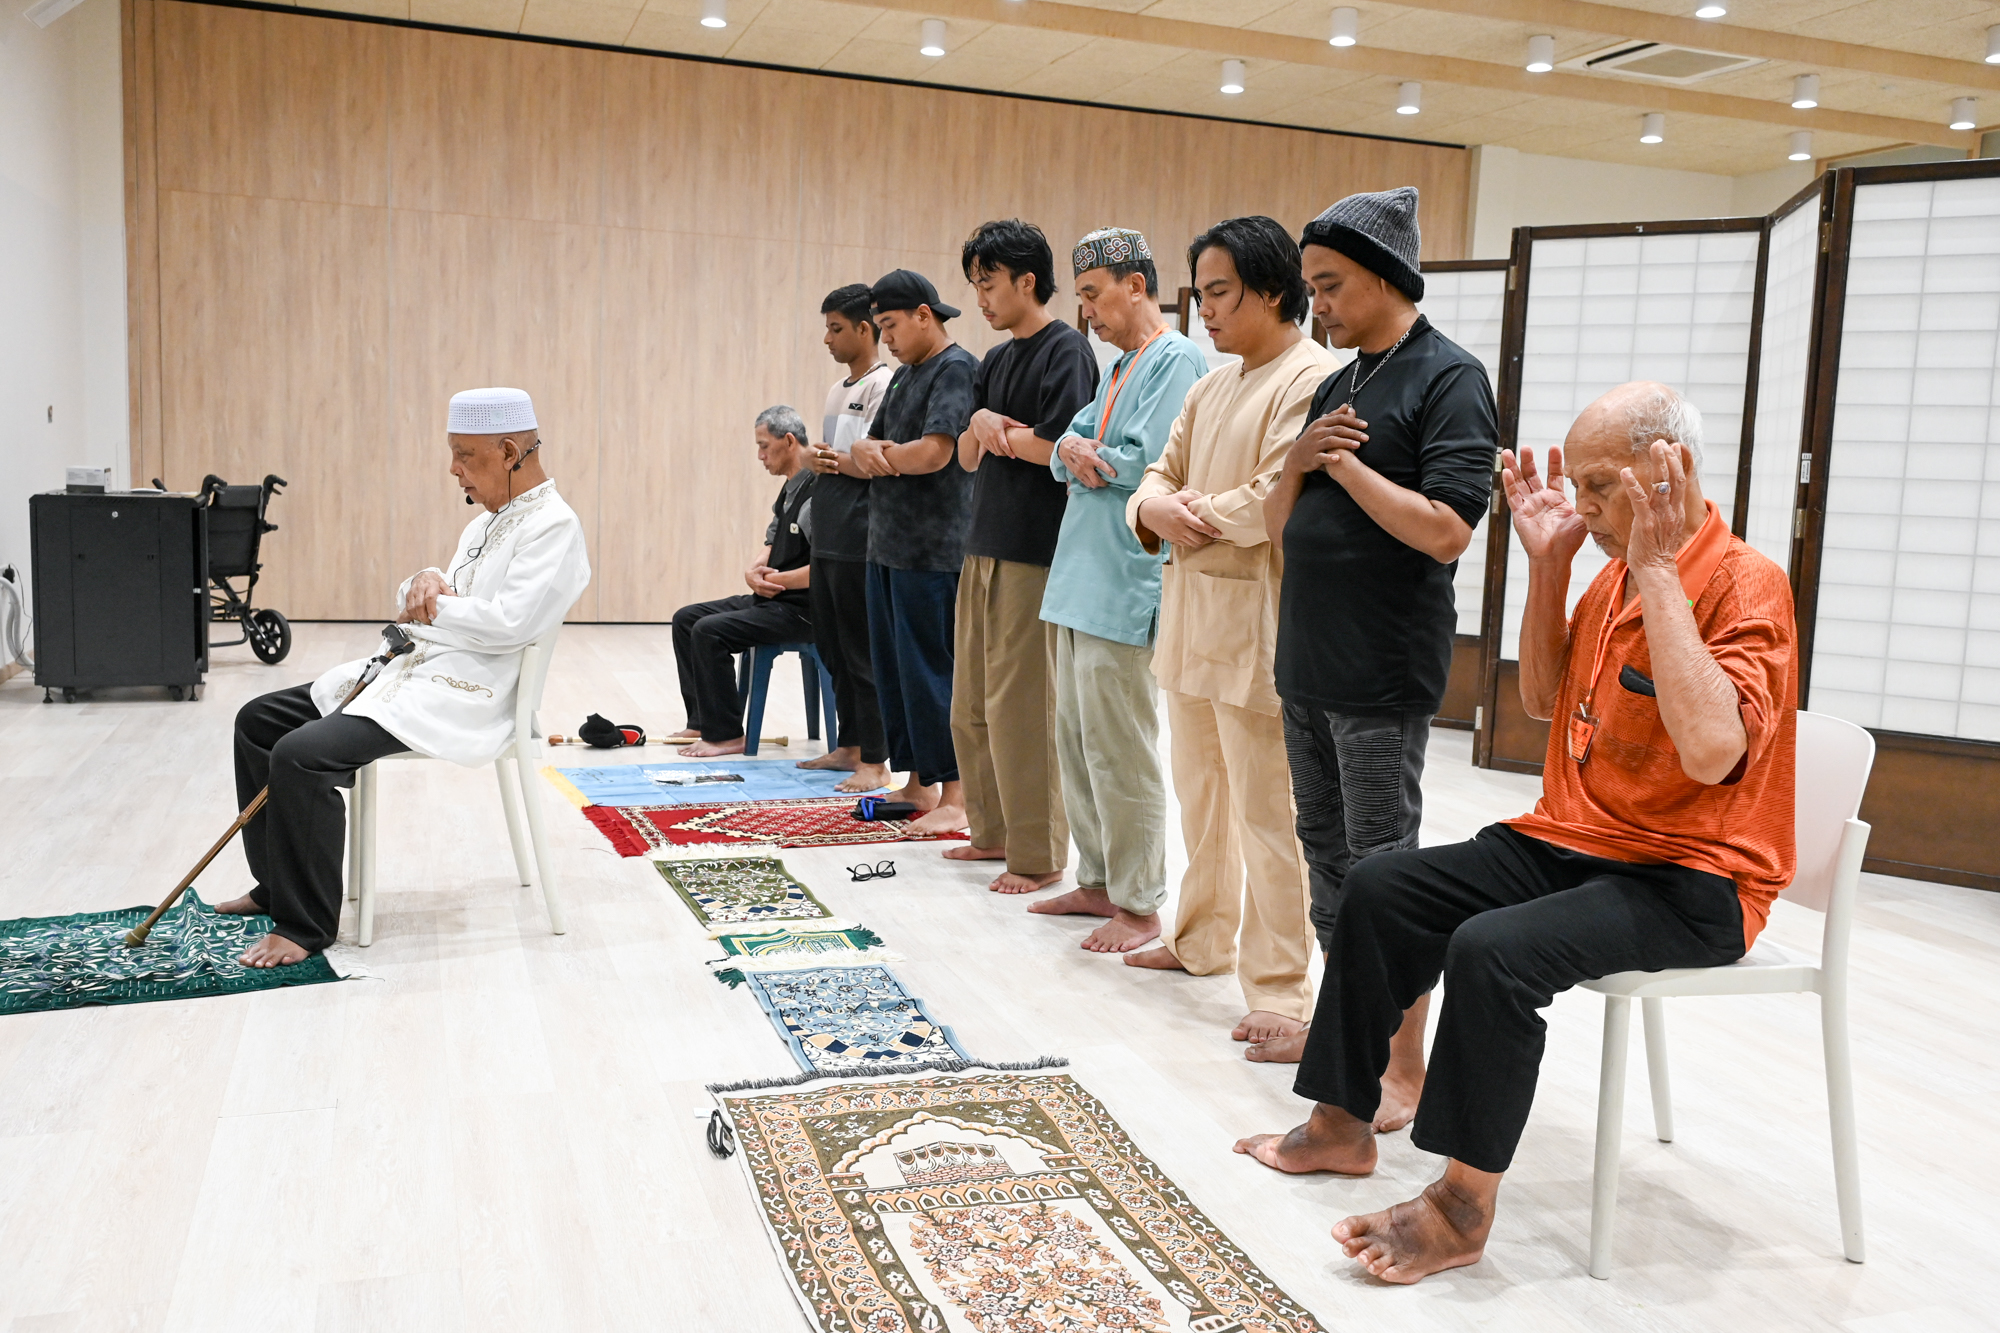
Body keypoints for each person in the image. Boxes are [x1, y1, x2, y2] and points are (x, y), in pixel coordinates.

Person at [1234, 382, 1797, 1287]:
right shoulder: (1612, 574)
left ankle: (1460, 1205)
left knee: (1492, 950)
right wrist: (1548, 568)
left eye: (1601, 486)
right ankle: (1341, 1120)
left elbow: (1710, 752)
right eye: (1578, 486)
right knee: (1380, 885)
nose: (1585, 507)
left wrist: (1659, 575)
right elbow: (1539, 700)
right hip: (1575, 838)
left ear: (1671, 470)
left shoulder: (1745, 581)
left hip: (1694, 877)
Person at [1250, 187, 1498, 1083]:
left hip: (1380, 670)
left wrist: (1345, 468)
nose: (1316, 303)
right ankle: (1346, 1032)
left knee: (1385, 870)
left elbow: (1447, 530)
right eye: (1312, 285)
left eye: (1330, 284)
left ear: (1388, 276)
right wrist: (1295, 462)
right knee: (1326, 857)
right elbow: (1279, 528)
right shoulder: (1337, 380)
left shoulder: (1450, 377)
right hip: (1308, 663)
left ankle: (1403, 1064)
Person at [222, 388, 590, 966]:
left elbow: (509, 624)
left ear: (509, 451)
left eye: (464, 455)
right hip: (420, 670)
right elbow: (429, 599)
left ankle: (305, 926)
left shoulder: (554, 526)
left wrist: (434, 600)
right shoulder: (486, 523)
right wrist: (426, 580)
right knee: (258, 721)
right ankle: (277, 885)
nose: (453, 469)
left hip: (469, 693)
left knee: (300, 755)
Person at [1123, 217, 1337, 1043]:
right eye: (1201, 293)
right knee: (1201, 799)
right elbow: (1157, 474)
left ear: (1274, 291)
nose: (1205, 310)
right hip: (1188, 623)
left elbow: (1272, 496)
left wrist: (1184, 512)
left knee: (1266, 813)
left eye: (1220, 292)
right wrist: (1153, 508)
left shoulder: (1311, 378)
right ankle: (1200, 937)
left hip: (1258, 629)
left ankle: (1280, 986)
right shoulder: (1210, 387)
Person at [1029, 227, 1208, 952]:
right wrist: (1074, 451)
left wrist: (1080, 453)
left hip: (1122, 578)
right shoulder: (1119, 365)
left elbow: (1138, 464)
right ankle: (1099, 878)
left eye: (1094, 295)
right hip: (1077, 577)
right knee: (1076, 741)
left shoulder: (1176, 357)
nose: (1088, 313)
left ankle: (1139, 902)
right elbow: (1064, 454)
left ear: (1136, 286)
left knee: (1119, 746)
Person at [950, 220, 1100, 893]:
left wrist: (997, 432)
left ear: (1027, 280)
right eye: (976, 285)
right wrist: (982, 426)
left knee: (1024, 708)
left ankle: (1037, 854)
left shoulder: (1067, 350)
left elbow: (1063, 450)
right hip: (982, 545)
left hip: (1036, 551)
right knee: (971, 703)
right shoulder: (994, 359)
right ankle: (990, 832)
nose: (981, 298)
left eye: (989, 283)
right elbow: (965, 455)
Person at [849, 269, 980, 833]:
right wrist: (875, 453)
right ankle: (918, 784)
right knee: (896, 673)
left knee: (932, 674)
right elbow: (865, 448)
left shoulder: (956, 369)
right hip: (887, 546)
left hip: (933, 551)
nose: (887, 339)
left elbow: (934, 453)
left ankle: (957, 797)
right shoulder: (904, 375)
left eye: (891, 326)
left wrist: (881, 456)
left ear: (925, 315)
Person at [666, 406, 818, 757]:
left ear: (789, 441)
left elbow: (825, 570)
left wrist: (777, 581)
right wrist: (754, 571)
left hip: (802, 610)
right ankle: (703, 720)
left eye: (764, 446)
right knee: (686, 619)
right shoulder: (790, 489)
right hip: (775, 598)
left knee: (709, 631)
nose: (760, 456)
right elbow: (772, 541)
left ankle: (726, 735)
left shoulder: (816, 496)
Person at [803, 285, 896, 792]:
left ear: (865, 329)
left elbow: (872, 462)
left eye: (836, 329)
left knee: (862, 653)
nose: (827, 339)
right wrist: (821, 460)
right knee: (833, 647)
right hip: (829, 529)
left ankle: (875, 760)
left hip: (860, 533)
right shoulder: (838, 388)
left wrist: (830, 461)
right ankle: (849, 745)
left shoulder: (885, 383)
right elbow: (839, 458)